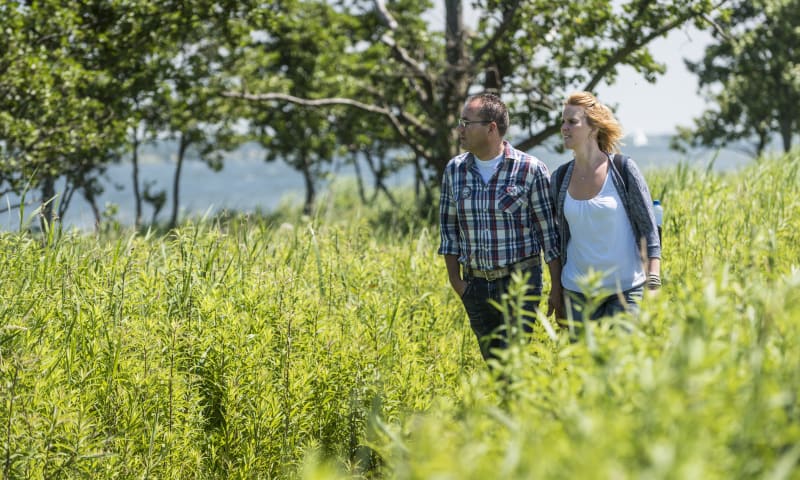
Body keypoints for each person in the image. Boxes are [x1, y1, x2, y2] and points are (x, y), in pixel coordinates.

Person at [438, 92, 563, 365]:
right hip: (475, 286)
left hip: (520, 284)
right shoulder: (454, 171)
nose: (460, 129)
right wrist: (457, 283)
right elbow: (448, 232)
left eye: (466, 122)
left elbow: (549, 235)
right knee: (495, 368)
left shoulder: (531, 170)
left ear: (491, 128)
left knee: (513, 366)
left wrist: (557, 288)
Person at [550, 91, 661, 325]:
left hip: (625, 292)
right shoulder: (559, 178)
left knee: (622, 361)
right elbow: (556, 240)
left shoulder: (623, 169)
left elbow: (649, 231)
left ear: (593, 128)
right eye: (563, 121)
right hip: (577, 294)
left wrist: (653, 283)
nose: (564, 128)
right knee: (582, 363)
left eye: (572, 122)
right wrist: (557, 291)